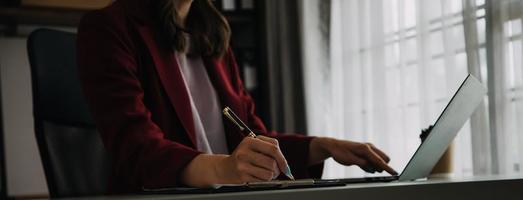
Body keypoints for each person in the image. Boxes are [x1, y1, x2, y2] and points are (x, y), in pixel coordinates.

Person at [77, 0, 397, 193]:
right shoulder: (109, 27)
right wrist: (225, 170)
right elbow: (137, 149)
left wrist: (322, 147)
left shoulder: (214, 37)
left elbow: (254, 137)